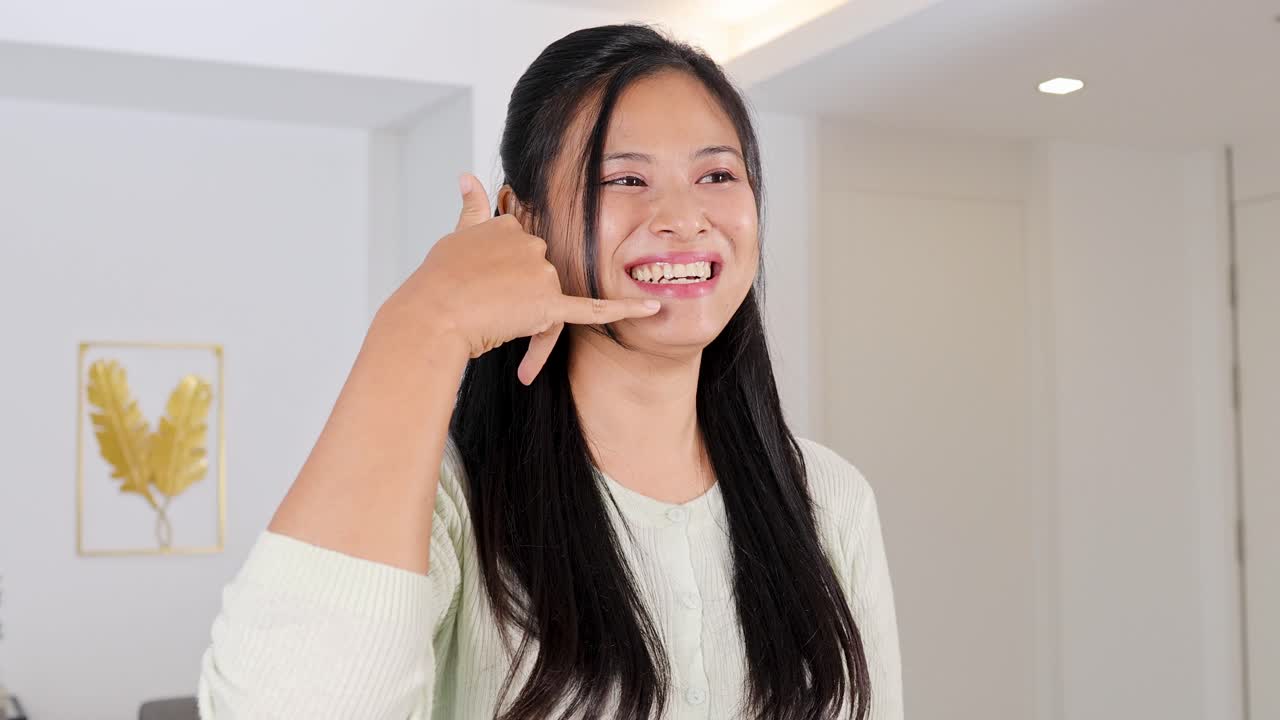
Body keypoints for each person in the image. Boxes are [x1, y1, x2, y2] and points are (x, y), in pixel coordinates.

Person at [197, 23, 902, 720]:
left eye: (716, 175)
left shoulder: (829, 499)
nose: (684, 218)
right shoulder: (446, 503)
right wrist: (422, 322)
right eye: (625, 179)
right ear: (522, 220)